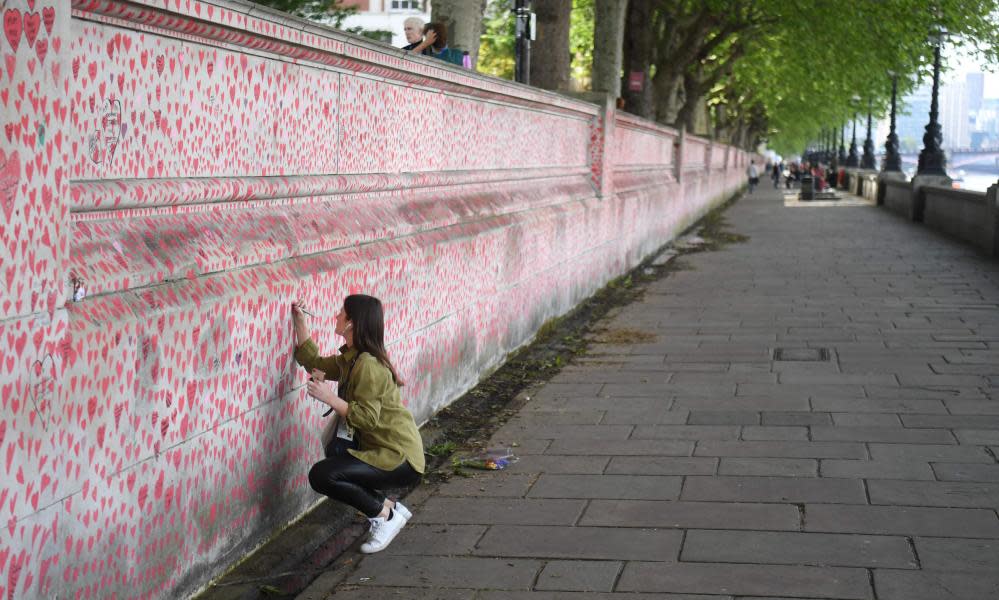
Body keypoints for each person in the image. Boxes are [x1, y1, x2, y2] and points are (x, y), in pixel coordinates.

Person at [291, 295, 425, 554]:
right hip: (386, 452)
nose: (337, 316)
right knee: (335, 457)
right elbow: (315, 363)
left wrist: (328, 397)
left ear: (352, 323)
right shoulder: (353, 359)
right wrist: (300, 322)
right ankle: (390, 508)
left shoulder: (368, 365)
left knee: (323, 474)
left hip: (399, 457)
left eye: (342, 312)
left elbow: (366, 418)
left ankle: (383, 516)